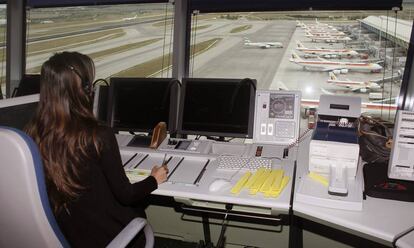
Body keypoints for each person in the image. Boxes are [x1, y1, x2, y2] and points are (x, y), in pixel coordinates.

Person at [25, 51, 168, 247]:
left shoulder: (31, 133)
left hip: (65, 234)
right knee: (139, 214)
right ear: (85, 89)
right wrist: (154, 179)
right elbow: (126, 195)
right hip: (108, 236)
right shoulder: (97, 135)